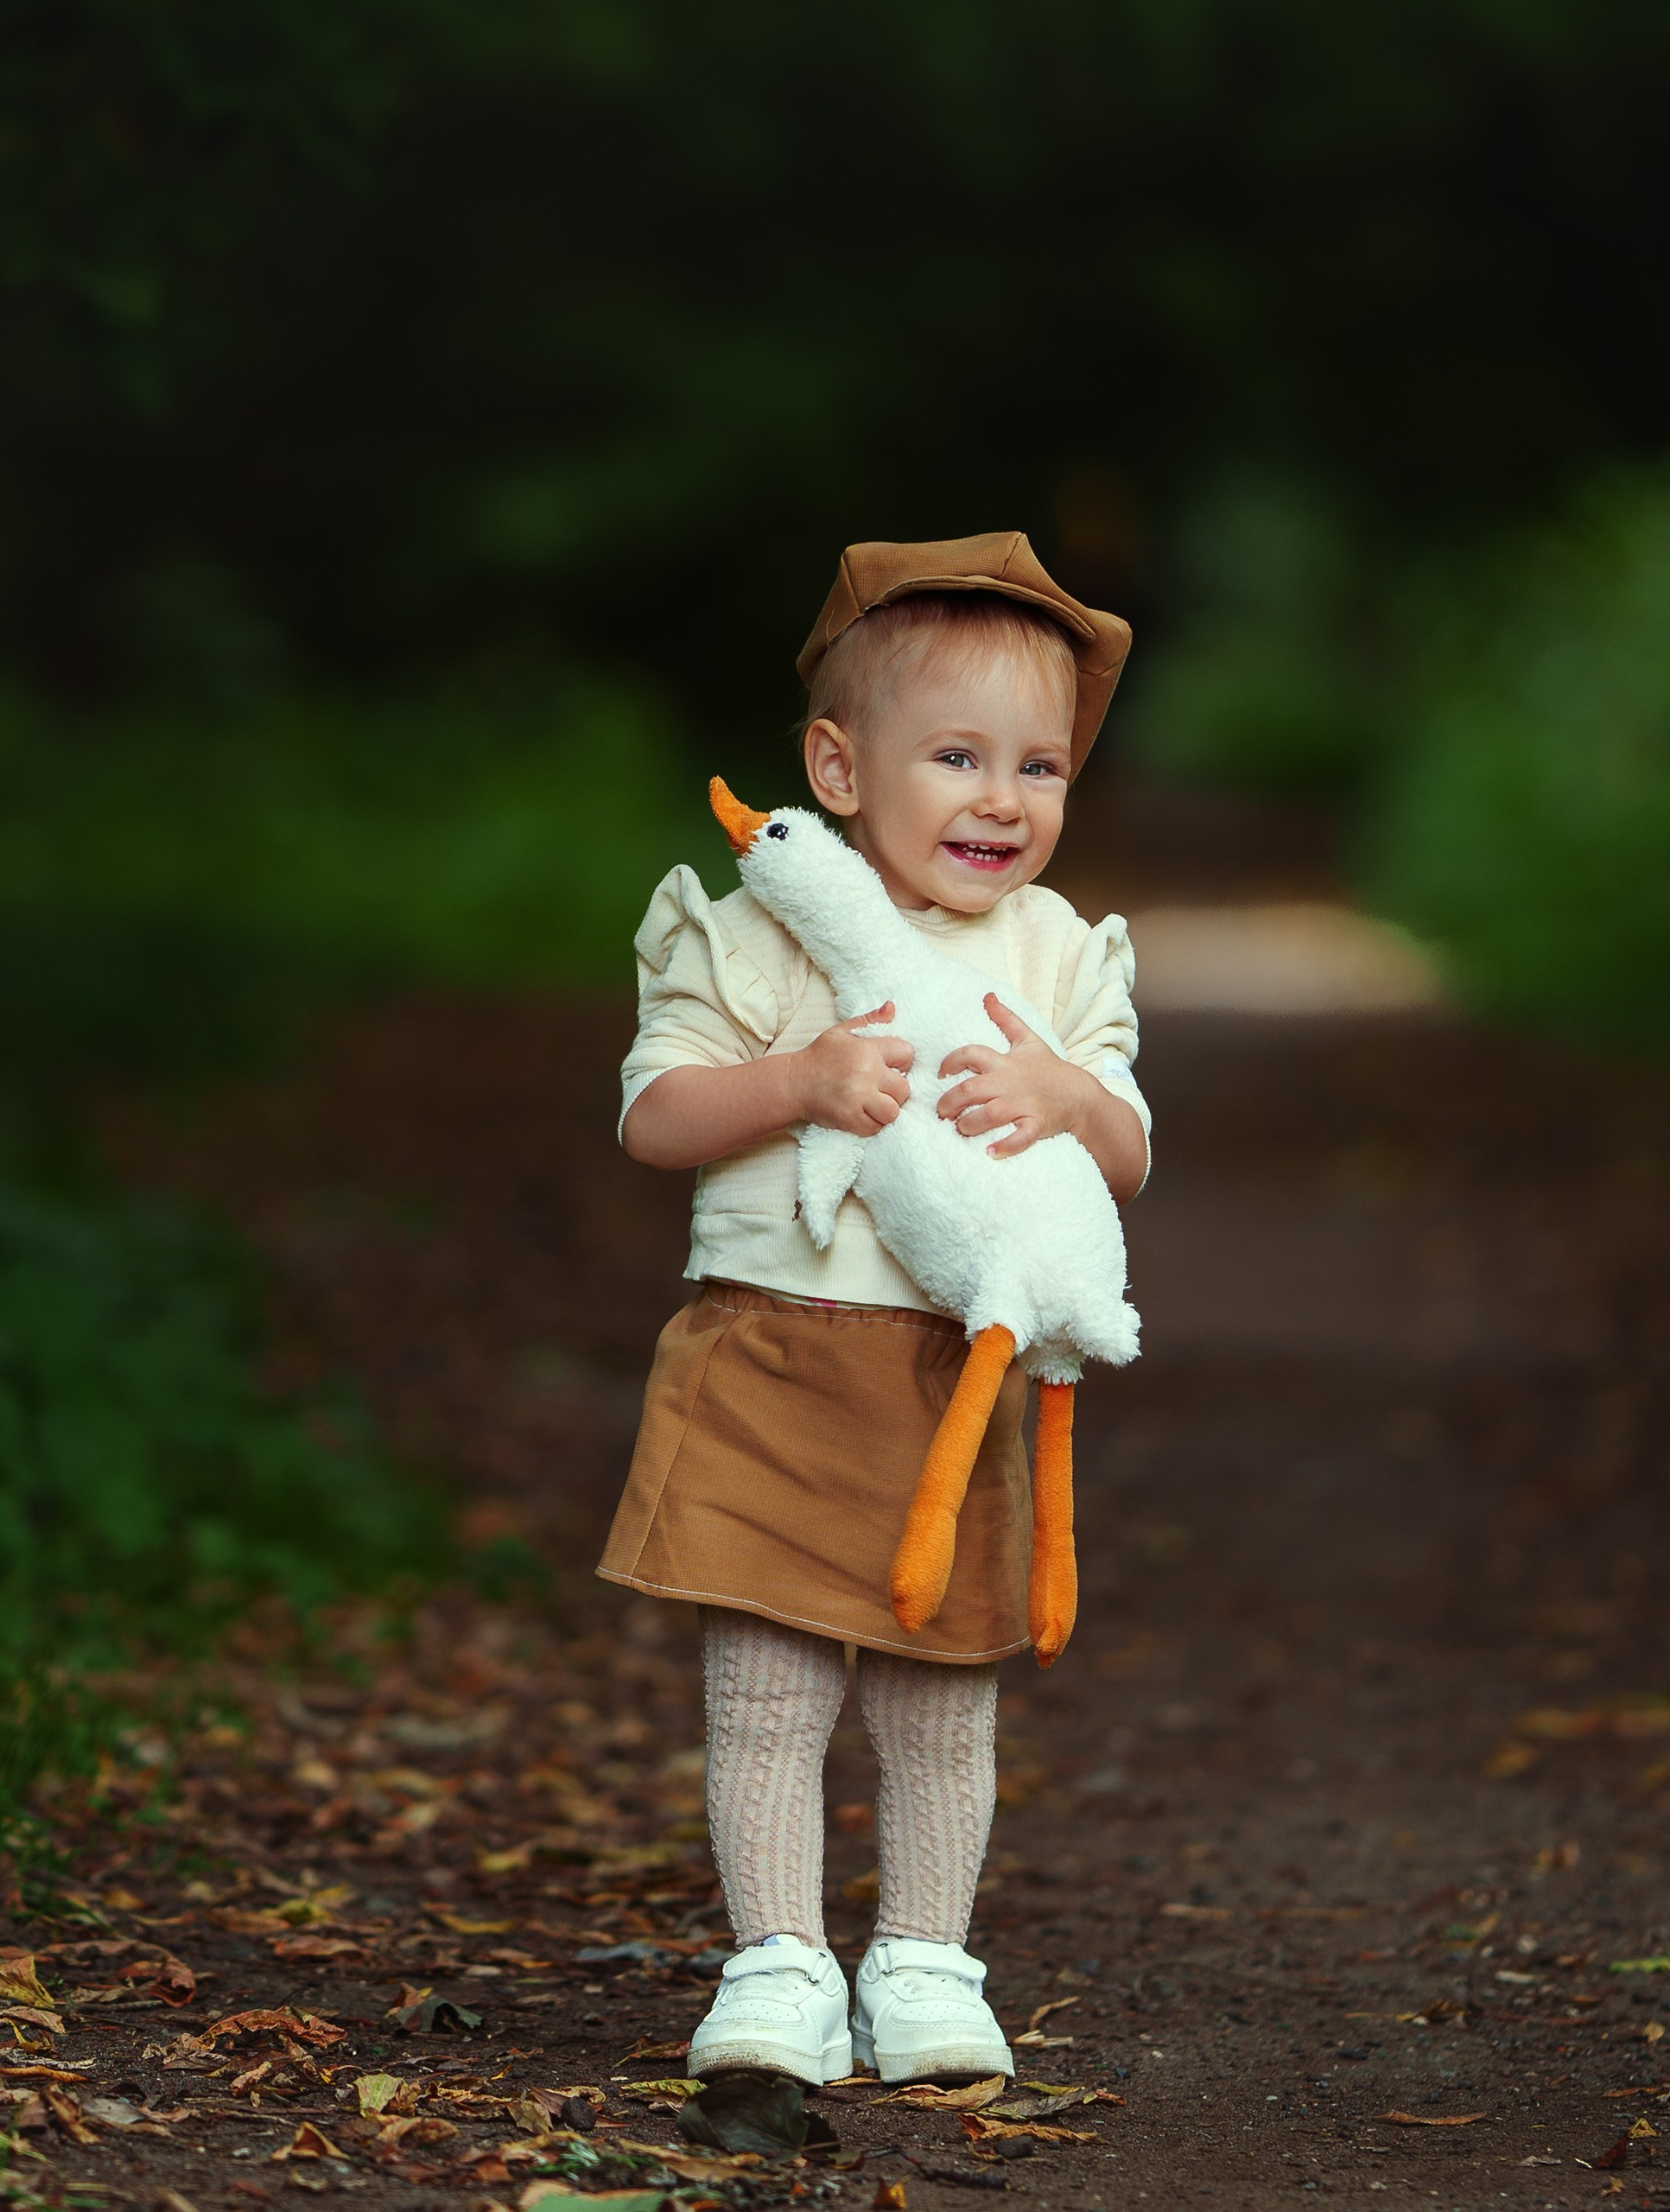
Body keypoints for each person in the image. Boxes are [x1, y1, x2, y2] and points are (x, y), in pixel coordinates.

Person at [600, 533, 1151, 2086]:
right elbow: (653, 1116)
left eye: (1039, 766)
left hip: (949, 1377)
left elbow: (1131, 1143)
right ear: (838, 770)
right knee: (769, 1690)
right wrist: (798, 1083)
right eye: (957, 756)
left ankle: (922, 1958)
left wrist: (1066, 1096)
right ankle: (777, 1960)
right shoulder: (759, 925)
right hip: (774, 1350)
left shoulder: (1051, 952)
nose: (1003, 798)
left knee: (937, 1687)